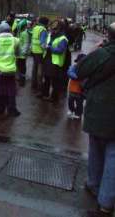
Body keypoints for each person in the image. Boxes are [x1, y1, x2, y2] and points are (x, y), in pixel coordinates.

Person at [75, 22, 115, 217]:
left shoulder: (102, 54)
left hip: (99, 110)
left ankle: (93, 184)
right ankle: (106, 202)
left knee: (97, 147)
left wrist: (95, 50)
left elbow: (78, 71)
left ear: (109, 35)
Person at [0, 22, 21, 117]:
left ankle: (0, 109)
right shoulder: (15, 40)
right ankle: (12, 110)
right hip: (10, 70)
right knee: (10, 89)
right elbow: (18, 53)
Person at [40, 21, 68, 103]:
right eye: (52, 28)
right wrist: (43, 45)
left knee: (55, 81)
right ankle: (44, 94)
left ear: (60, 29)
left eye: (55, 28)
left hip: (55, 62)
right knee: (46, 78)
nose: (52, 30)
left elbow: (60, 50)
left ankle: (54, 98)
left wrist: (49, 47)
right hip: (47, 59)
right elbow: (46, 43)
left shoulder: (63, 38)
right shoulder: (50, 35)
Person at [31, 17, 49, 92]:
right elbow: (42, 43)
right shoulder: (43, 30)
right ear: (45, 23)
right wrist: (47, 47)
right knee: (40, 69)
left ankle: (33, 83)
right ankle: (39, 86)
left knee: (34, 67)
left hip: (34, 50)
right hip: (40, 52)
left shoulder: (35, 28)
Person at [67, 53, 86, 120]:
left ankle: (78, 113)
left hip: (81, 90)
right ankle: (71, 110)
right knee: (70, 101)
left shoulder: (86, 68)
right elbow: (69, 72)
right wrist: (77, 77)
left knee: (79, 103)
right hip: (72, 89)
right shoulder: (74, 66)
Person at [16, 19, 31, 87]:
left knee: (22, 68)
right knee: (20, 68)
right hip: (19, 54)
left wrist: (23, 52)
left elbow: (26, 43)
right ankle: (20, 79)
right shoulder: (21, 33)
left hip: (22, 55)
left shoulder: (24, 33)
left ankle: (22, 81)